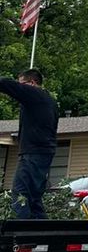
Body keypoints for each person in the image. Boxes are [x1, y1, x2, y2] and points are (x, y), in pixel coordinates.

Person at [0, 68, 59, 219]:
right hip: (44, 152)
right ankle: (43, 230)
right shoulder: (49, 101)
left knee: (21, 192)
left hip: (33, 152)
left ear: (32, 83)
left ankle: (21, 230)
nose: (21, 88)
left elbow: (6, 83)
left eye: (22, 84)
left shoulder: (34, 94)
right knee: (34, 197)